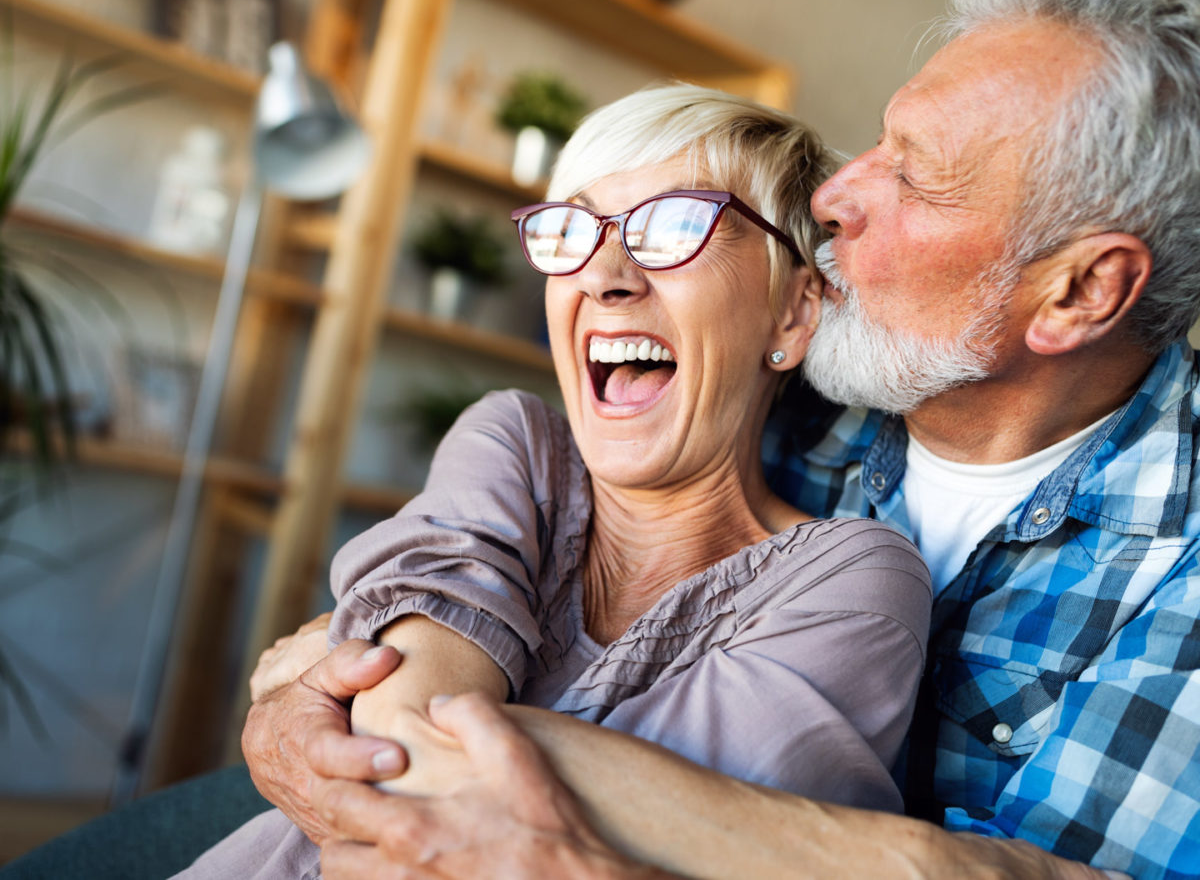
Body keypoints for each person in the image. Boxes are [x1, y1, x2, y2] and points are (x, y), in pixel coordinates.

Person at [239, 0, 1200, 878]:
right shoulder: (797, 402)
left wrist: (383, 703)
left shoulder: (1172, 576)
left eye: (915, 177)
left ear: (1079, 291)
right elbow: (459, 569)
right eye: (877, 143)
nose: (836, 197)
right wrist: (314, 688)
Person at [173, 84, 931, 878]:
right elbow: (417, 751)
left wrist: (334, 674)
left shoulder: (855, 581)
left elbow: (687, 837)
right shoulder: (515, 444)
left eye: (675, 225)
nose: (605, 275)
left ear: (794, 312)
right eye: (573, 229)